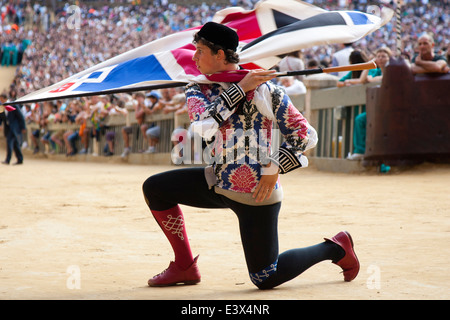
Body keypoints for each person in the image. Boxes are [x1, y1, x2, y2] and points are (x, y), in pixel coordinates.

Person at [142, 22, 359, 289]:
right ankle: (184, 266)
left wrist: (276, 164)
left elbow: (305, 135)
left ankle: (336, 248)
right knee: (155, 188)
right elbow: (203, 127)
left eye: (199, 51)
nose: (194, 58)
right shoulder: (198, 88)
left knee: (264, 277)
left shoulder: (266, 90)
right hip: (218, 183)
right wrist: (239, 89)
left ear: (220, 54)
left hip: (257, 192)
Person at [346, 47, 392, 161]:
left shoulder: (392, 69)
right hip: (379, 107)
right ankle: (360, 151)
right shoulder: (376, 70)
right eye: (379, 56)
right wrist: (369, 64)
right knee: (360, 119)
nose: (380, 59)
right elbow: (364, 79)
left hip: (392, 107)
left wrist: (372, 79)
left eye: (384, 56)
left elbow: (376, 79)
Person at [0, 94, 26, 165]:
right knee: (15, 144)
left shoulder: (13, 105)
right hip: (8, 128)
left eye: (1, 99)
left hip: (14, 128)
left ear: (5, 99)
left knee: (9, 142)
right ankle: (20, 159)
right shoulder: (2, 107)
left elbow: (20, 116)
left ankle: (7, 160)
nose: (0, 101)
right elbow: (1, 117)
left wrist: (23, 127)